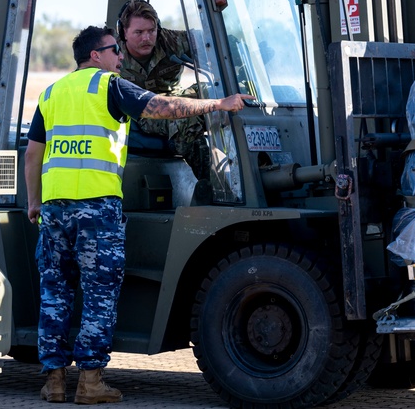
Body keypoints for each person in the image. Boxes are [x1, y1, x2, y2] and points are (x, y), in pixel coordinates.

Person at [24, 25, 252, 404]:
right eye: (114, 50)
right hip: (96, 209)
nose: (120, 57)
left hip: (55, 210)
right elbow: (161, 107)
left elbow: (33, 154)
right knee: (98, 295)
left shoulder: (51, 93)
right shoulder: (107, 85)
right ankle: (91, 382)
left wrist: (35, 201)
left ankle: (54, 382)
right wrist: (217, 104)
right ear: (95, 56)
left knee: (55, 295)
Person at [115, 0, 213, 181]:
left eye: (151, 31)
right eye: (139, 32)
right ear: (124, 33)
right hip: (142, 110)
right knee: (187, 122)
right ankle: (213, 185)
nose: (146, 38)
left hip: (175, 98)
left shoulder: (172, 41)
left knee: (215, 95)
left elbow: (214, 42)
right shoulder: (112, 52)